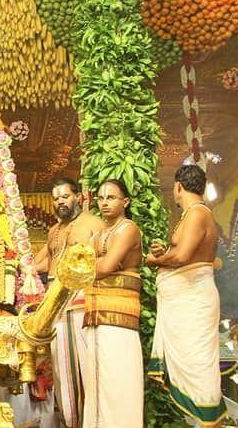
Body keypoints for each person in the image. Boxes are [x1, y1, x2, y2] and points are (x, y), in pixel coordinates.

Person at [147, 164, 226, 427]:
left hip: (193, 301)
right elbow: (180, 252)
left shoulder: (197, 213)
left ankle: (207, 423)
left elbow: (182, 257)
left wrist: (153, 260)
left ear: (179, 186)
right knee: (192, 370)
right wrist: (164, 251)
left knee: (198, 370)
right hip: (184, 303)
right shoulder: (193, 214)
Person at [33, 178, 104, 428]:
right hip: (54, 301)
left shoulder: (94, 223)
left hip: (79, 300)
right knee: (62, 371)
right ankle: (68, 422)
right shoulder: (54, 231)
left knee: (83, 366)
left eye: (65, 196)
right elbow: (43, 264)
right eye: (56, 198)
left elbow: (104, 257)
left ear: (79, 197)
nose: (60, 202)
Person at [81, 179, 143, 428]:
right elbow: (77, 265)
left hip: (119, 319)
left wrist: (86, 267)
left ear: (125, 201)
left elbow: (105, 267)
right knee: (97, 385)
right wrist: (90, 267)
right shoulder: (99, 234)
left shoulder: (127, 229)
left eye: (111, 197)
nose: (104, 202)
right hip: (96, 315)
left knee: (119, 383)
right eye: (101, 198)